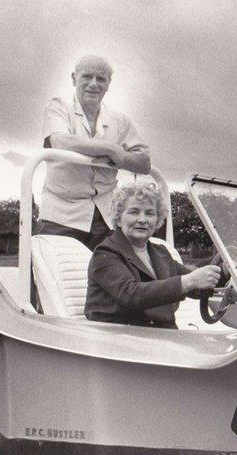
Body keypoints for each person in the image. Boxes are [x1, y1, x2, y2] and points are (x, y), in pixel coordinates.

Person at [38, 55, 152, 250]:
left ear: (109, 84)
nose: (94, 84)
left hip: (105, 219)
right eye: (87, 77)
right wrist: (110, 149)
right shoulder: (58, 107)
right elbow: (59, 140)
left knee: (112, 277)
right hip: (61, 216)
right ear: (74, 78)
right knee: (53, 275)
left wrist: (122, 158)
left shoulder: (120, 120)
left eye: (101, 79)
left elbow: (144, 163)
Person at [84, 180, 223, 328]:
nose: (142, 220)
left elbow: (197, 287)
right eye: (134, 212)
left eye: (150, 213)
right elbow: (131, 295)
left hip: (160, 336)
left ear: (157, 220)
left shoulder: (160, 252)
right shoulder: (105, 253)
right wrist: (188, 281)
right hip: (119, 339)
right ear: (118, 219)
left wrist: (224, 272)